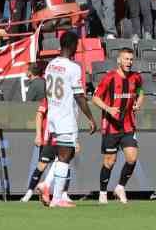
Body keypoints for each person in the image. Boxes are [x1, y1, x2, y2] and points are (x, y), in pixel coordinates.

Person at [33, 31, 96, 208]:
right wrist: (90, 117)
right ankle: (57, 198)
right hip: (65, 118)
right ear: (73, 46)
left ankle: (46, 185)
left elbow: (47, 89)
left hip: (53, 116)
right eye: (76, 45)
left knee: (65, 154)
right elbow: (79, 96)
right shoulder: (73, 68)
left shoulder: (51, 65)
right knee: (65, 156)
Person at [91, 47, 145, 203]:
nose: (129, 62)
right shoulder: (109, 78)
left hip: (128, 126)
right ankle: (102, 193)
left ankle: (120, 187)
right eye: (126, 59)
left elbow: (141, 92)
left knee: (132, 158)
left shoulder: (136, 77)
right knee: (110, 161)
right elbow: (95, 98)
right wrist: (108, 108)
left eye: (131, 59)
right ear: (119, 60)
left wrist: (139, 103)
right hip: (111, 126)